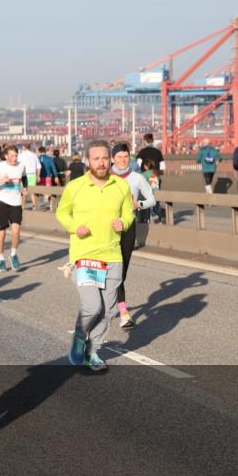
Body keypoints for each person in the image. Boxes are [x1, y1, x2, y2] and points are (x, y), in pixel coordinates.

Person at [56, 140, 134, 372]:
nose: (101, 163)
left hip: (112, 255)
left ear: (110, 159)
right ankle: (80, 335)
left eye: (104, 158)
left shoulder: (121, 186)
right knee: (92, 306)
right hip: (85, 256)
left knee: (109, 310)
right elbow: (62, 212)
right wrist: (74, 226)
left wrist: (124, 222)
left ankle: (92, 351)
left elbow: (128, 213)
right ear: (88, 161)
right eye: (96, 158)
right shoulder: (75, 187)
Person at [110, 143, 156, 329]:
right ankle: (123, 312)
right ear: (112, 158)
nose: (122, 160)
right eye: (119, 156)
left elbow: (151, 198)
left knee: (122, 270)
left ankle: (113, 300)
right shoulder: (105, 177)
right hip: (108, 229)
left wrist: (138, 205)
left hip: (128, 227)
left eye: (125, 156)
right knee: (111, 268)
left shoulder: (136, 178)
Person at [0, 145, 27, 272]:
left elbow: (24, 177)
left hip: (16, 203)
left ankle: (13, 255)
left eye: (16, 155)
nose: (14, 158)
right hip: (2, 203)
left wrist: (25, 187)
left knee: (16, 231)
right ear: (6, 156)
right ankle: (1, 259)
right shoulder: (0, 167)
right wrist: (0, 181)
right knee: (2, 233)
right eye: (11, 155)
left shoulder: (21, 166)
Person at [18, 144, 42, 210]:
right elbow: (39, 167)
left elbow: (18, 166)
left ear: (24, 147)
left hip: (24, 175)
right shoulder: (34, 155)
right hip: (33, 175)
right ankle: (35, 206)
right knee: (32, 192)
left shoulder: (20, 155)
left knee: (24, 191)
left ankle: (22, 206)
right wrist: (38, 176)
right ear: (30, 148)